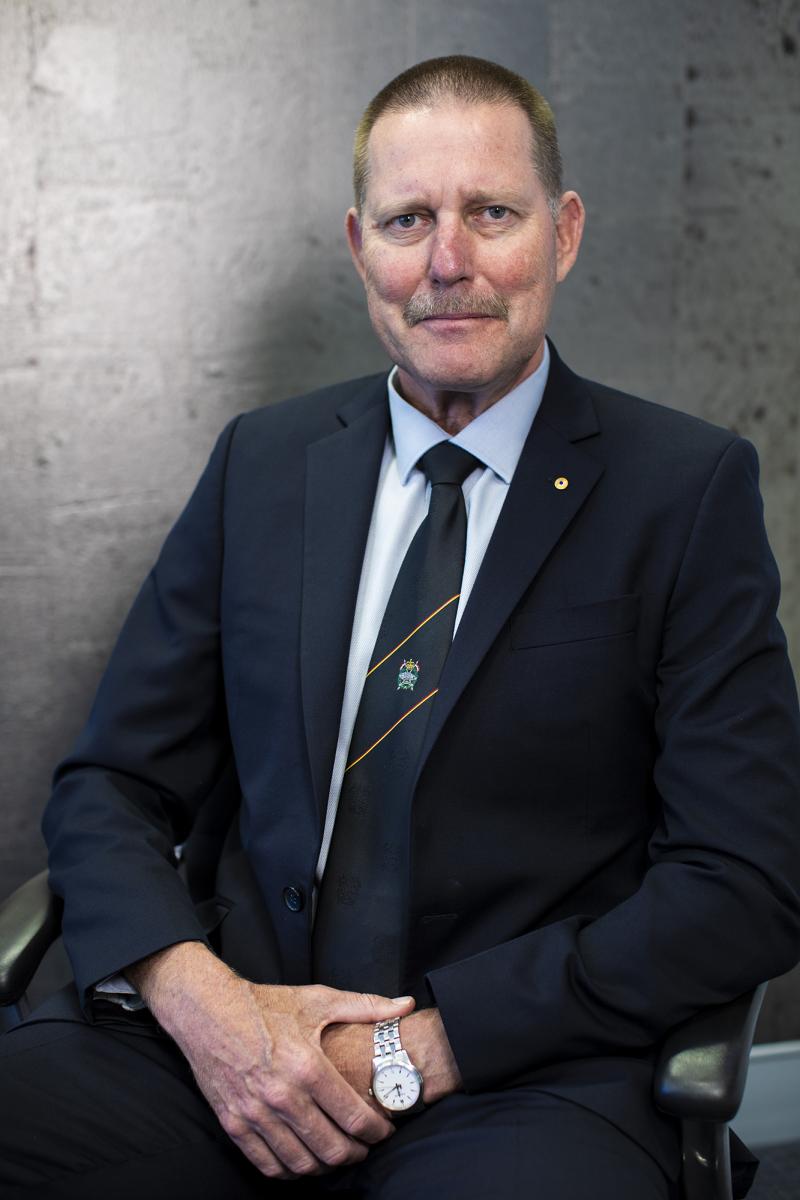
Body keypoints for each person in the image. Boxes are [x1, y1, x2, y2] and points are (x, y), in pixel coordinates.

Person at [1, 54, 799, 1200]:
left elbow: (743, 879)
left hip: (517, 1076)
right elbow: (110, 786)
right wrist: (202, 1002)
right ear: (357, 245)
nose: (447, 262)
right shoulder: (261, 467)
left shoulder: (682, 492)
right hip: (230, 1037)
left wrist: (418, 1050)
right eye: (407, 218)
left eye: (490, 213)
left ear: (562, 233)